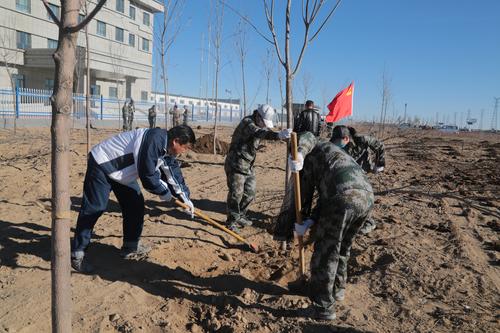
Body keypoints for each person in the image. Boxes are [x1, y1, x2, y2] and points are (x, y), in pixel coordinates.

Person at [71, 125, 196, 273]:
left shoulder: (167, 148)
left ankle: (131, 245)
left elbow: (172, 173)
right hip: (103, 164)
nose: (185, 152)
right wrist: (165, 194)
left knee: (135, 204)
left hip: (123, 173)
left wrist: (185, 198)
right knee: (95, 207)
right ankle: (77, 253)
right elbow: (148, 176)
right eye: (185, 147)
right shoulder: (154, 141)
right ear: (176, 141)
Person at [288, 132, 374, 320]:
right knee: (343, 247)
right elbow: (327, 191)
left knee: (325, 253)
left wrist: (299, 153)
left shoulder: (311, 150)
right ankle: (337, 290)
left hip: (342, 199)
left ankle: (323, 308)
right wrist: (311, 221)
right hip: (366, 198)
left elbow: (307, 137)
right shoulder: (333, 154)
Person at [225, 104, 291, 231]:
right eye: (264, 122)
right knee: (236, 194)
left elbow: (264, 132)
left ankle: (240, 215)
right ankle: (231, 221)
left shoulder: (259, 124)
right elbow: (258, 132)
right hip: (235, 163)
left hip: (248, 165)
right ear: (258, 116)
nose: (264, 125)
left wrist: (282, 136)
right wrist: (278, 136)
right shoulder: (247, 123)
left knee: (250, 192)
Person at [331, 125, 385, 234]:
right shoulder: (335, 144)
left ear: (346, 138)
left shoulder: (361, 140)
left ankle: (369, 222)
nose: (335, 143)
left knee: (362, 195)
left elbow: (379, 145)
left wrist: (379, 164)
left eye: (338, 141)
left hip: (362, 169)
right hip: (349, 171)